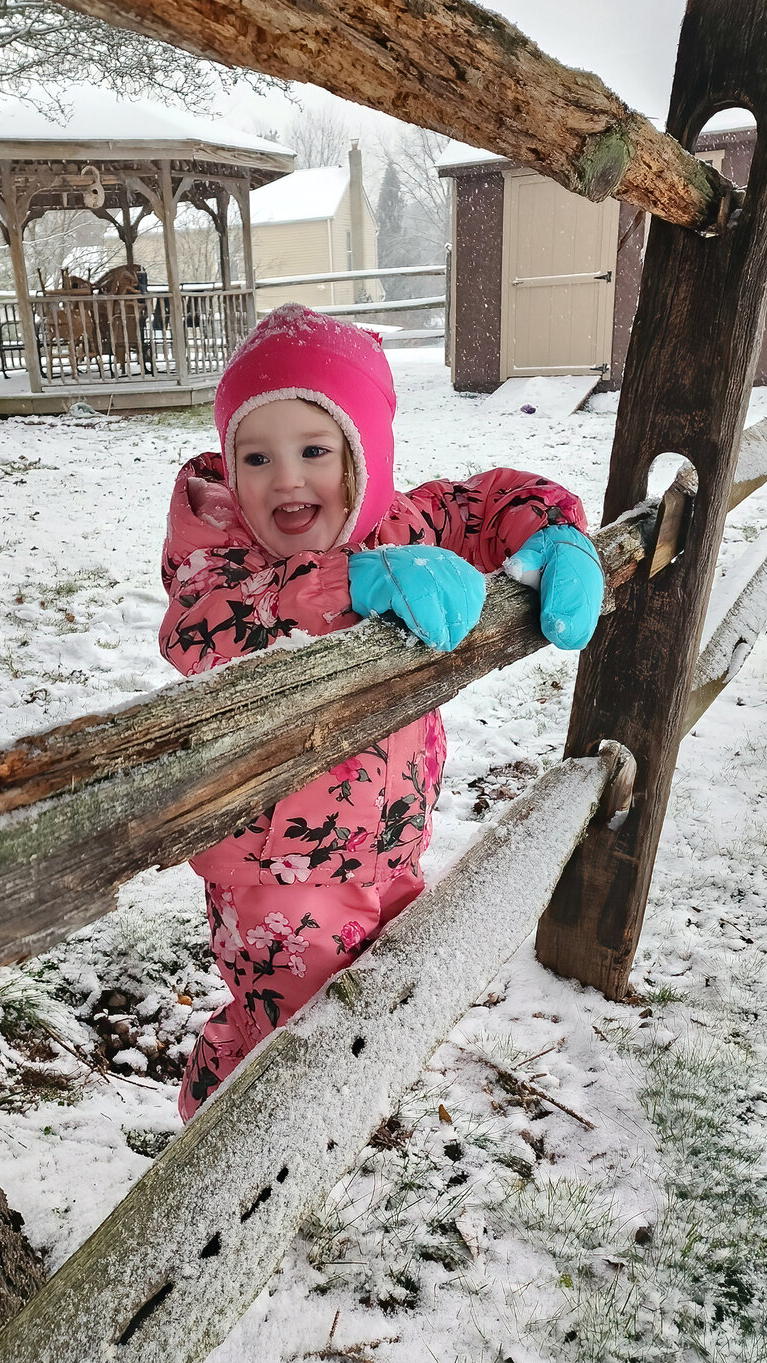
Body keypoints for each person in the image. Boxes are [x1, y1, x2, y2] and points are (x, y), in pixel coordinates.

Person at [159, 304, 603, 1120]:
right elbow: (200, 628)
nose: (284, 479)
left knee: (367, 998)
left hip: (389, 840)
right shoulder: (224, 550)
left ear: (367, 450)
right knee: (283, 1024)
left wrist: (555, 536)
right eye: (255, 456)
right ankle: (223, 1144)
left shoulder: (408, 521)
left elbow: (492, 498)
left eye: (315, 450)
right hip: (272, 868)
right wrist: (346, 585)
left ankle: (326, 1119)